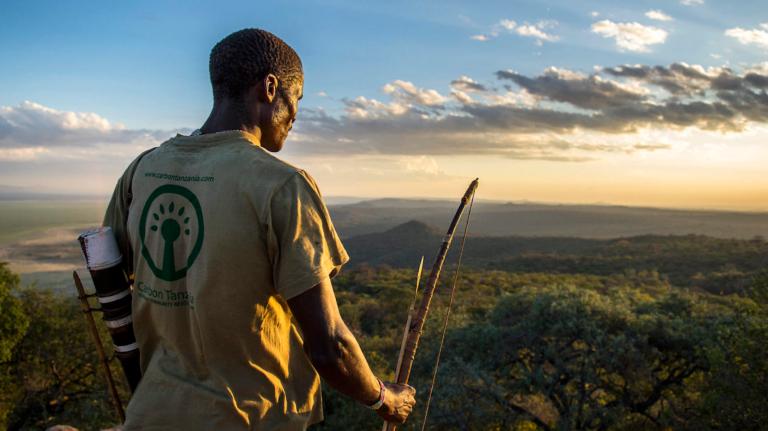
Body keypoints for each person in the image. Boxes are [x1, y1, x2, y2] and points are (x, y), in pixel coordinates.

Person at [103, 28, 416, 430]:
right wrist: (384, 399)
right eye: (296, 97)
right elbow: (329, 348)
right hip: (253, 419)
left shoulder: (143, 169)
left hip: (152, 414)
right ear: (270, 87)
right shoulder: (282, 185)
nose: (296, 115)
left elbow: (113, 277)